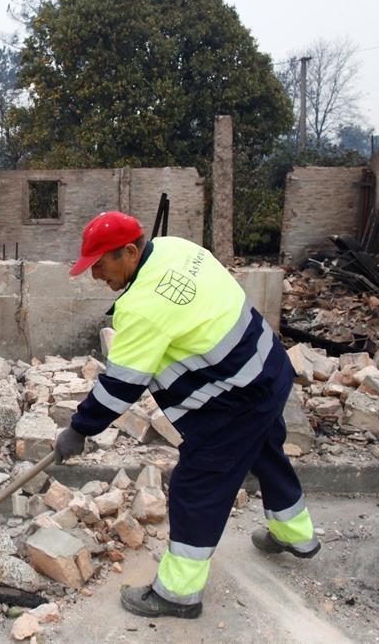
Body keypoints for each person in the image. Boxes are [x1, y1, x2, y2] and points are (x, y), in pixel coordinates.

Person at [55, 211, 319, 619]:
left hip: (236, 399)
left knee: (195, 487)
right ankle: (296, 534)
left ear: (129, 251)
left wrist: (79, 428)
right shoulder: (178, 248)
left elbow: (122, 384)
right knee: (265, 451)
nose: (96, 277)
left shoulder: (142, 306)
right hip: (268, 367)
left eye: (101, 265)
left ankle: (177, 593)